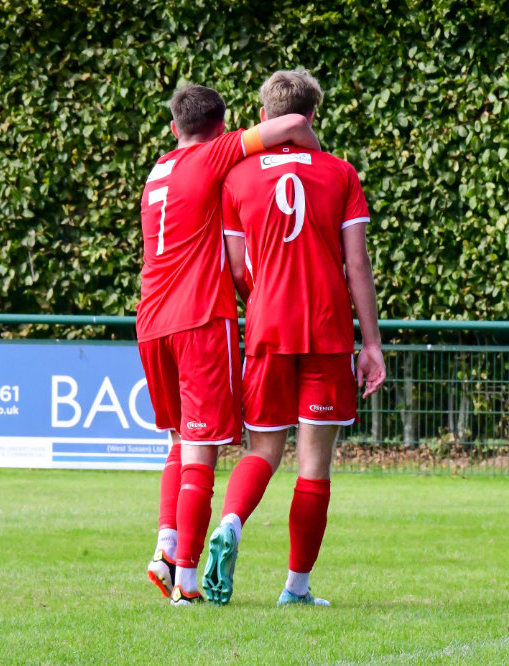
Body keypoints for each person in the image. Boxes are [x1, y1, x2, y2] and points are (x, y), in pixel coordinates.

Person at [201, 69, 386, 607]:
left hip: (267, 328)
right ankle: (296, 588)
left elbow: (238, 268)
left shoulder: (237, 178)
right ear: (312, 117)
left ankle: (230, 524)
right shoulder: (340, 173)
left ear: (264, 117)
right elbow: (357, 264)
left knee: (262, 449)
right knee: (313, 463)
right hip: (327, 330)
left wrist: (264, 302)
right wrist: (371, 344)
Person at [138, 84, 320, 605]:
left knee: (179, 440)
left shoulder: (156, 172)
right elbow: (290, 125)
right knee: (202, 452)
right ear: (221, 128)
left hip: (151, 321)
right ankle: (187, 584)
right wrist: (317, 160)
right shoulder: (213, 155)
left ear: (173, 127)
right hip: (198, 319)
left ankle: (166, 546)